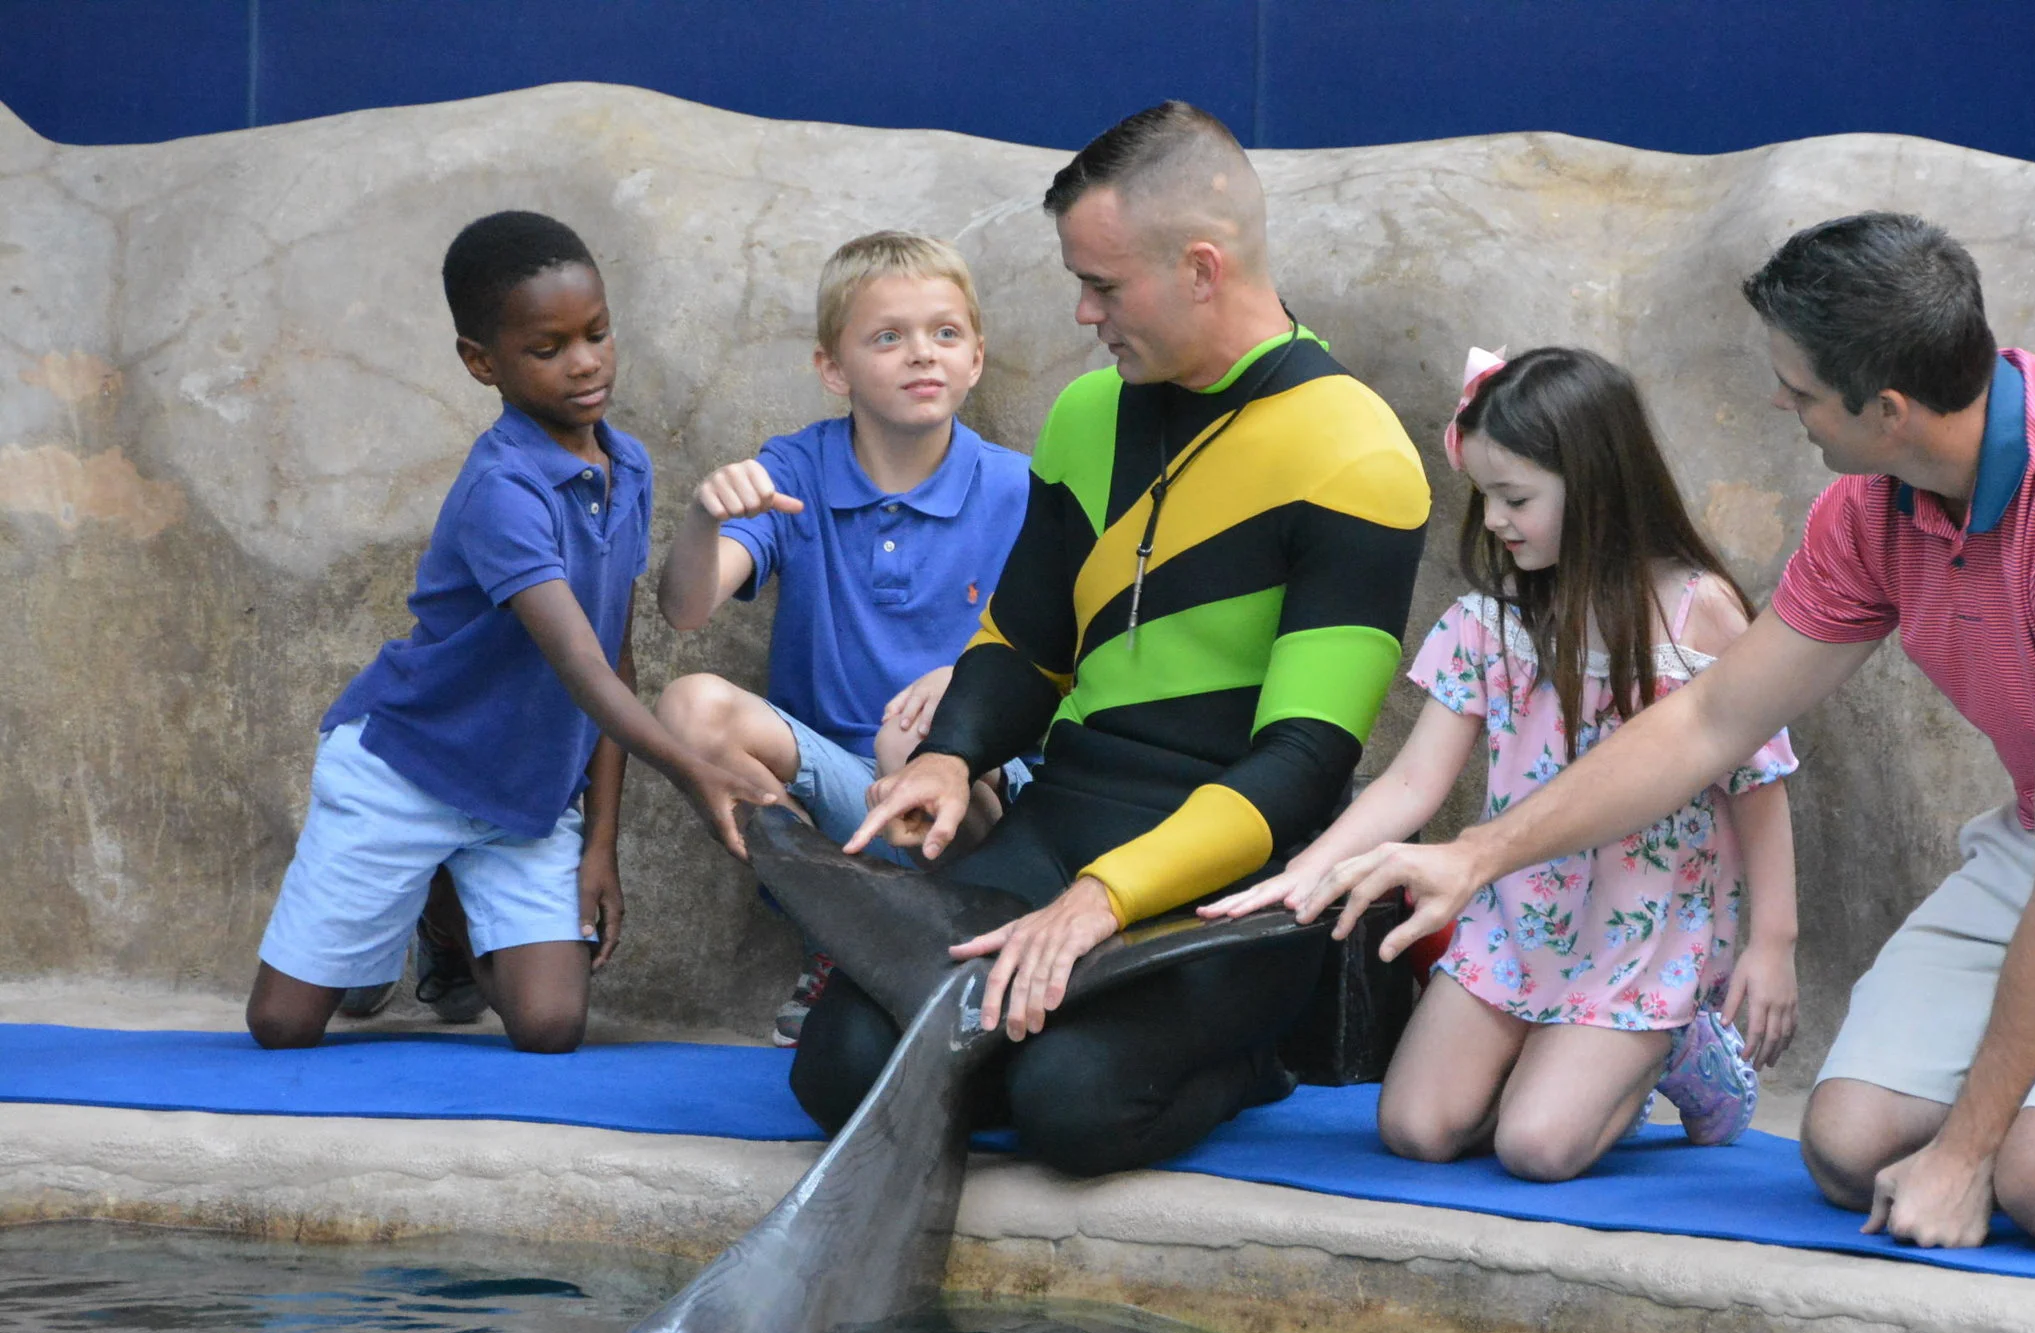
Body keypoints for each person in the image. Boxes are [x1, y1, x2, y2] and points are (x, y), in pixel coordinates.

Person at [1303, 212, 2035, 1252]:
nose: (1782, 406)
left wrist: (1965, 1158)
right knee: (1847, 1147)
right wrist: (1477, 855)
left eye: (1798, 392)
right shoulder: (1876, 505)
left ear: (1886, 410)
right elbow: (1711, 716)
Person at [793, 100, 1430, 1175]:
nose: (1083, 313)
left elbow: (1305, 761)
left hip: (1236, 867)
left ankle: (1254, 1060)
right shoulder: (1091, 415)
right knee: (844, 1066)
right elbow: (1026, 642)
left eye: (1103, 285)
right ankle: (1061, 1025)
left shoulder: (1354, 453)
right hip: (1066, 817)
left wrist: (1106, 901)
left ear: (1199, 267)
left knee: (1074, 1106)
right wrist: (952, 756)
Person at [1202, 346, 1800, 1181]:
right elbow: (1414, 781)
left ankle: (1676, 1046)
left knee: (1537, 1147)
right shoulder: (1491, 623)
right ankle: (1558, 1057)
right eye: (1484, 495)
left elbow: (1758, 781)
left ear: (1595, 485)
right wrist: (1308, 867)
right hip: (1521, 920)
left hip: (1641, 932)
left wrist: (1773, 941)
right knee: (1415, 1127)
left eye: (1515, 497)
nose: (1492, 520)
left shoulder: (1697, 614)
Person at [246, 211, 782, 1053]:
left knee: (551, 1026)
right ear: (480, 362)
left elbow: (615, 655)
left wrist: (600, 842)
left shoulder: (628, 467)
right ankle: (423, 891)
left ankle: (451, 924)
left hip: (523, 798)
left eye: (598, 333)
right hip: (411, 767)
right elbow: (577, 665)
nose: (585, 362)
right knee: (281, 1027)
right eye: (548, 348)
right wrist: (691, 768)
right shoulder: (503, 489)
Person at [651, 231, 1032, 1045]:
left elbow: (1069, 650)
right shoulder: (798, 468)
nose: (921, 356)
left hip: (965, 781)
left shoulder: (1016, 487)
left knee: (909, 742)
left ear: (975, 358)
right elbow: (684, 610)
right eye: (887, 337)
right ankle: (840, 927)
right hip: (834, 783)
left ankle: (926, 939)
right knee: (687, 708)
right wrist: (704, 516)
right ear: (834, 368)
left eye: (945, 333)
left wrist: (970, 686)